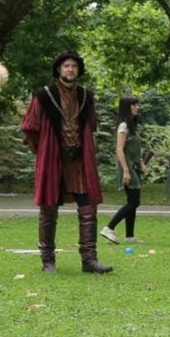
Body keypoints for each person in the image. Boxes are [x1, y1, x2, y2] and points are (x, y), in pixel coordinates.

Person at [21, 51, 111, 274]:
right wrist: (43, 153)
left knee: (89, 208)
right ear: (59, 70)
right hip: (53, 159)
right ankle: (48, 260)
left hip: (79, 161)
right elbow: (30, 129)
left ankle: (89, 260)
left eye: (74, 66)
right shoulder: (43, 95)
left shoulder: (86, 96)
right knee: (49, 210)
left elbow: (90, 126)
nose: (70, 70)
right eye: (66, 66)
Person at [101, 96, 146, 244]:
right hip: (126, 167)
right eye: (134, 105)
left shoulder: (131, 126)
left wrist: (140, 162)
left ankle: (129, 236)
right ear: (127, 107)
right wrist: (126, 170)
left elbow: (133, 149)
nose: (137, 107)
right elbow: (119, 149)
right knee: (134, 202)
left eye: (137, 104)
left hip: (132, 166)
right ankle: (109, 228)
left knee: (132, 201)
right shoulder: (123, 126)